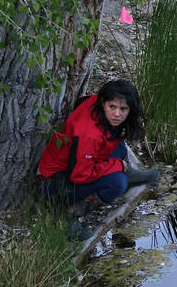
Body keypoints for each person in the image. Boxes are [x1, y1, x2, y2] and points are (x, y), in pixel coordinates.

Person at [37, 79, 158, 237]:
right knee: (117, 183)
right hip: (54, 183)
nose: (117, 114)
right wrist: (115, 165)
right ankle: (66, 213)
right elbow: (79, 175)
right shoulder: (89, 136)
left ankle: (129, 172)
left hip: (73, 165)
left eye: (123, 109)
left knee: (117, 142)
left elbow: (81, 101)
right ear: (103, 103)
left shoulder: (95, 102)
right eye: (112, 107)